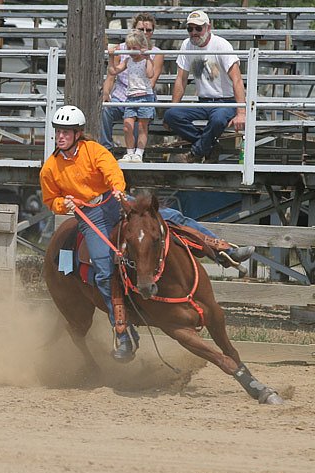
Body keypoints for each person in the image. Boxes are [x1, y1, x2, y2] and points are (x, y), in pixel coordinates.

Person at [41, 106, 254, 360]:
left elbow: (111, 171)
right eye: (58, 131)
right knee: (101, 266)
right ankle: (122, 331)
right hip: (90, 216)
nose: (61, 136)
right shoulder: (50, 168)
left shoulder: (93, 151)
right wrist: (64, 204)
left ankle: (223, 250)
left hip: (112, 201)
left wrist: (118, 189)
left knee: (172, 218)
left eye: (66, 132)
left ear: (78, 134)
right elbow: (49, 199)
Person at [163, 9, 246, 163]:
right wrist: (173, 106)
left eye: (198, 28)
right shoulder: (187, 45)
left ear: (208, 27)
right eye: (190, 29)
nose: (194, 32)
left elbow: (237, 79)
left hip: (226, 101)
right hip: (203, 101)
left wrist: (241, 111)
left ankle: (195, 153)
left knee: (218, 119)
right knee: (171, 115)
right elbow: (181, 78)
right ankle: (210, 146)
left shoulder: (221, 45)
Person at [100, 13, 164, 153]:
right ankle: (106, 149)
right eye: (141, 30)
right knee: (104, 109)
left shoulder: (156, 53)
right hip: (121, 97)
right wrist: (106, 94)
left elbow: (151, 81)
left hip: (142, 96)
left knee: (137, 119)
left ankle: (136, 153)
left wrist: (147, 58)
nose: (145, 33)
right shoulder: (122, 49)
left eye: (149, 30)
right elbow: (111, 75)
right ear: (134, 29)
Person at [107, 30, 160, 163]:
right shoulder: (128, 61)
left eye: (134, 48)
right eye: (129, 48)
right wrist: (111, 57)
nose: (131, 51)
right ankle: (129, 152)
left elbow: (150, 74)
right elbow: (113, 71)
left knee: (142, 127)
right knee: (127, 126)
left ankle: (139, 153)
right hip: (130, 97)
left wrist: (147, 57)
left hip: (145, 96)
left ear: (142, 47)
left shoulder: (147, 60)